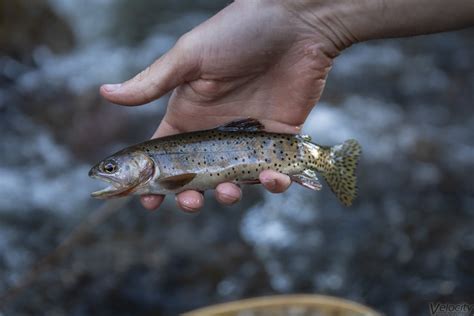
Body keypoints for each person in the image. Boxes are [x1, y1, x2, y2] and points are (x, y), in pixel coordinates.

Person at [100, 0, 474, 212]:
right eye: (110, 168)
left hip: (271, 148)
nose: (108, 173)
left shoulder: (162, 174)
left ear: (142, 163)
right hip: (267, 147)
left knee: (253, 182)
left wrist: (298, 17)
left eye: (112, 167)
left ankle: (327, 160)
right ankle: (324, 160)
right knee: (251, 181)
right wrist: (303, 19)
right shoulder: (156, 171)